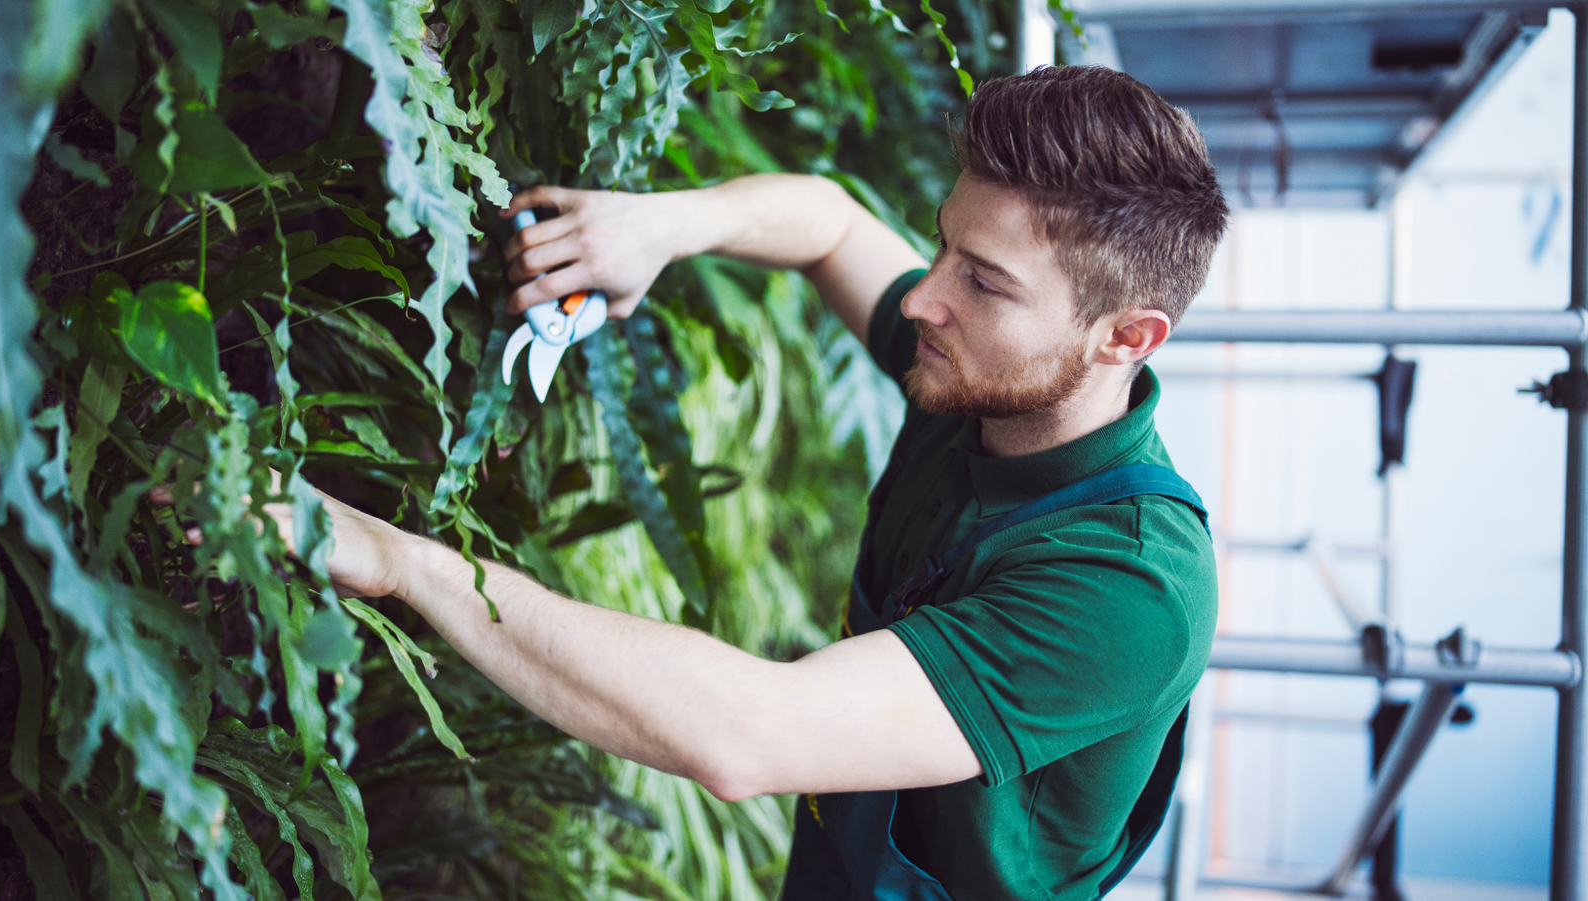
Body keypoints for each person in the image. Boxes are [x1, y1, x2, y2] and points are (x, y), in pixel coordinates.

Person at [283, 65, 1229, 900]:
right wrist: (658, 225)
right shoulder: (986, 381)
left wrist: (403, 563)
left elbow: (746, 734)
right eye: (942, 245)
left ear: (1127, 337)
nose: (921, 297)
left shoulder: (1132, 588)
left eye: (984, 280)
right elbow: (828, 224)